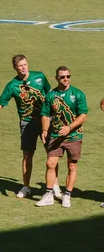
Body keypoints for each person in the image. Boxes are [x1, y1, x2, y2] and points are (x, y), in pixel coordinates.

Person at [0, 55, 51, 200]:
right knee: (27, 155)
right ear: (15, 68)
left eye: (25, 64)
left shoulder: (40, 76)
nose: (23, 67)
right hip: (27, 123)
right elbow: (0, 103)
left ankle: (54, 187)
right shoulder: (12, 85)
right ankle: (26, 186)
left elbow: (51, 95)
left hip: (45, 120)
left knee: (51, 154)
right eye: (20, 66)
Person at [38, 67, 87, 209]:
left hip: (74, 136)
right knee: (50, 163)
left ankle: (67, 195)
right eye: (62, 77)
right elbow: (45, 114)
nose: (65, 79)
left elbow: (83, 115)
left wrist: (69, 127)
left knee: (72, 166)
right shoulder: (51, 95)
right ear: (56, 78)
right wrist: (45, 129)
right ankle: (48, 194)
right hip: (55, 136)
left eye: (68, 76)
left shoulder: (78, 94)